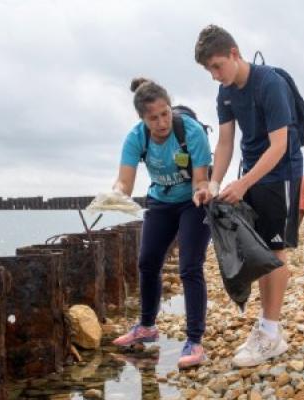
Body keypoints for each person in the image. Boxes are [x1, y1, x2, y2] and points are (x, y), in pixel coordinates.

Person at [194, 24, 300, 367]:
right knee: (257, 247)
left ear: (234, 54)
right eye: (209, 69)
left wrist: (243, 184)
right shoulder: (225, 93)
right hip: (252, 172)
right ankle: (268, 328)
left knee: (276, 249)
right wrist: (214, 184)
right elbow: (225, 142)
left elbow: (280, 144)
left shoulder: (270, 83)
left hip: (280, 171)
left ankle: (270, 332)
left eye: (216, 66)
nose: (214, 75)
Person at [110, 78, 213, 369]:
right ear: (142, 118)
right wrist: (114, 195)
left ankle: (194, 340)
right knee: (147, 262)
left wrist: (202, 192)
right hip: (161, 200)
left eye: (165, 113)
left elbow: (201, 179)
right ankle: (146, 326)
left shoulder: (190, 131)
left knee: (190, 266)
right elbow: (125, 183)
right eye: (153, 118)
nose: (162, 122)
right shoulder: (135, 138)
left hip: (194, 200)